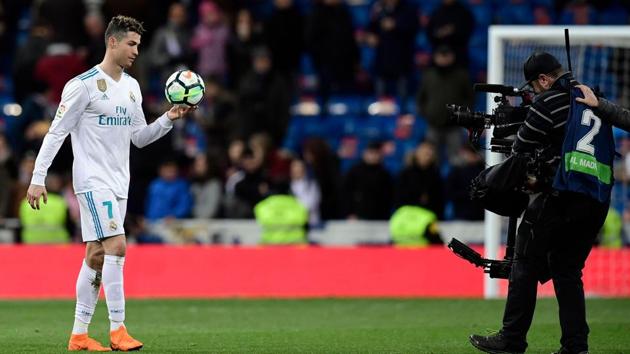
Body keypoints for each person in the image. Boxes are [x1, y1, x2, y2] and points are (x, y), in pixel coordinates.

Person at [26, 15, 195, 352]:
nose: (136, 51)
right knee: (117, 246)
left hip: (120, 183)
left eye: (139, 45)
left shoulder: (131, 87)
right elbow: (56, 132)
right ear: (112, 42)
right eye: (131, 44)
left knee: (96, 255)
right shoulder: (82, 85)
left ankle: (78, 336)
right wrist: (37, 177)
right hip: (92, 181)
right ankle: (118, 330)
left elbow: (139, 138)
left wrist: (167, 119)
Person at [469, 52, 610, 354]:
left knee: (525, 263)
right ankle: (575, 345)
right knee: (567, 270)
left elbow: (522, 147)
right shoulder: (592, 98)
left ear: (544, 79)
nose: (533, 93)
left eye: (533, 87)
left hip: (561, 195)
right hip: (597, 198)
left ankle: (512, 338)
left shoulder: (548, 102)